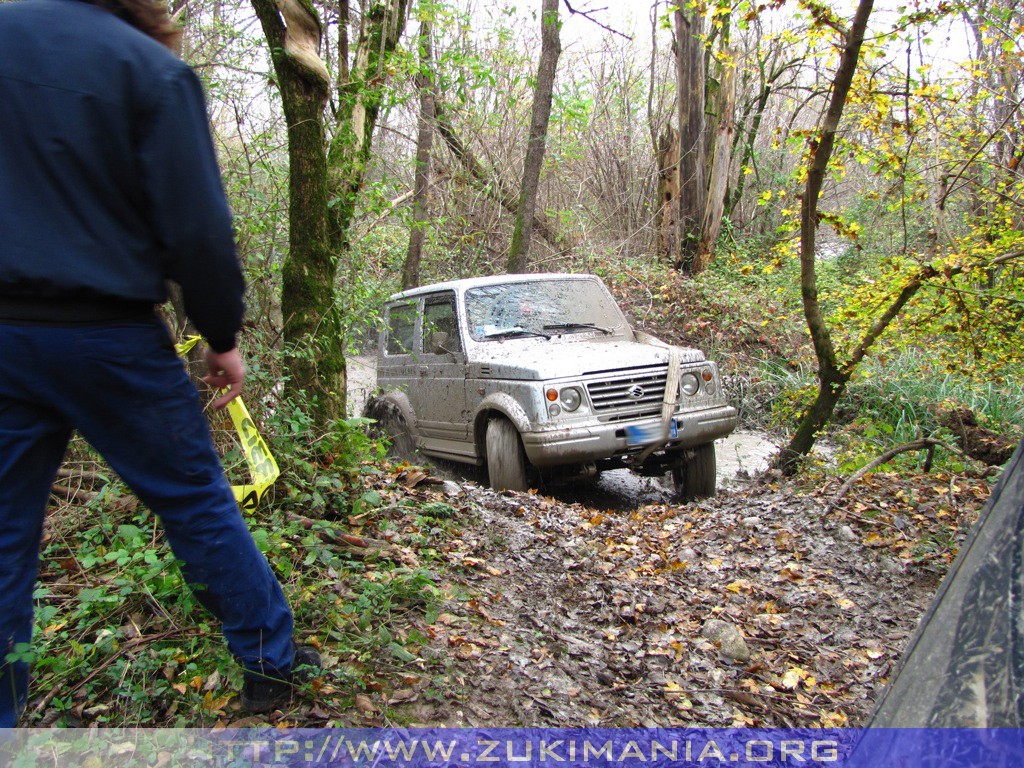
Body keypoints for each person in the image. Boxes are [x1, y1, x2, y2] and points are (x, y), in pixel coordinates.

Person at [0, 0, 316, 726]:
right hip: (109, 337)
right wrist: (220, 333)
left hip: (5, 339)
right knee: (195, 499)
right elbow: (198, 227)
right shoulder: (147, 69)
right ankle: (271, 661)